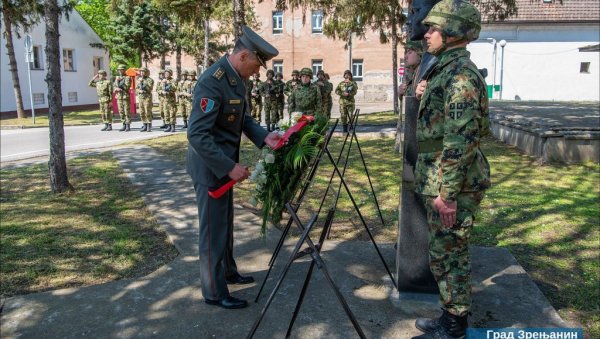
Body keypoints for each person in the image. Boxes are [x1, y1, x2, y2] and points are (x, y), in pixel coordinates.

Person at [186, 25, 281, 310]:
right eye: (257, 64)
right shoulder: (211, 82)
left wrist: (264, 136)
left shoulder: (236, 79)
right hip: (211, 168)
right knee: (213, 231)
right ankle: (214, 292)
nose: (258, 70)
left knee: (224, 224)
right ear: (243, 55)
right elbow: (197, 134)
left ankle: (227, 272)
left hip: (224, 167)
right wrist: (228, 167)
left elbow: (244, 119)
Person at [412, 1, 491, 338]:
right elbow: (444, 119)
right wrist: (426, 93)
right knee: (443, 253)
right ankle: (449, 315)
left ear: (454, 31)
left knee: (450, 254)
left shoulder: (459, 75)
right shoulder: (445, 69)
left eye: (433, 28)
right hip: (440, 177)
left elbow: (460, 139)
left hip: (451, 182)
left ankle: (455, 325)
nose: (426, 33)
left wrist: (448, 194)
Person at [113, 64, 132, 132]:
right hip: (119, 97)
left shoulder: (127, 78)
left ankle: (128, 125)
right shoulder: (117, 78)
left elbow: (126, 87)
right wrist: (116, 89)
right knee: (121, 111)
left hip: (125, 97)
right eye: (119, 70)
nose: (120, 71)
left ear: (124, 70)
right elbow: (114, 86)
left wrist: (119, 82)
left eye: (121, 70)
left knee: (127, 111)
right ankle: (123, 124)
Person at [136, 67, 154, 132]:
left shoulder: (150, 80)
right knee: (141, 112)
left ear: (146, 72)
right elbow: (136, 88)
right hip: (141, 97)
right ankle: (144, 124)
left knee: (147, 111)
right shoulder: (138, 79)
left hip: (147, 97)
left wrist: (144, 83)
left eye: (143, 71)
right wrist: (139, 91)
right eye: (141, 71)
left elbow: (150, 89)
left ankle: (149, 125)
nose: (142, 73)